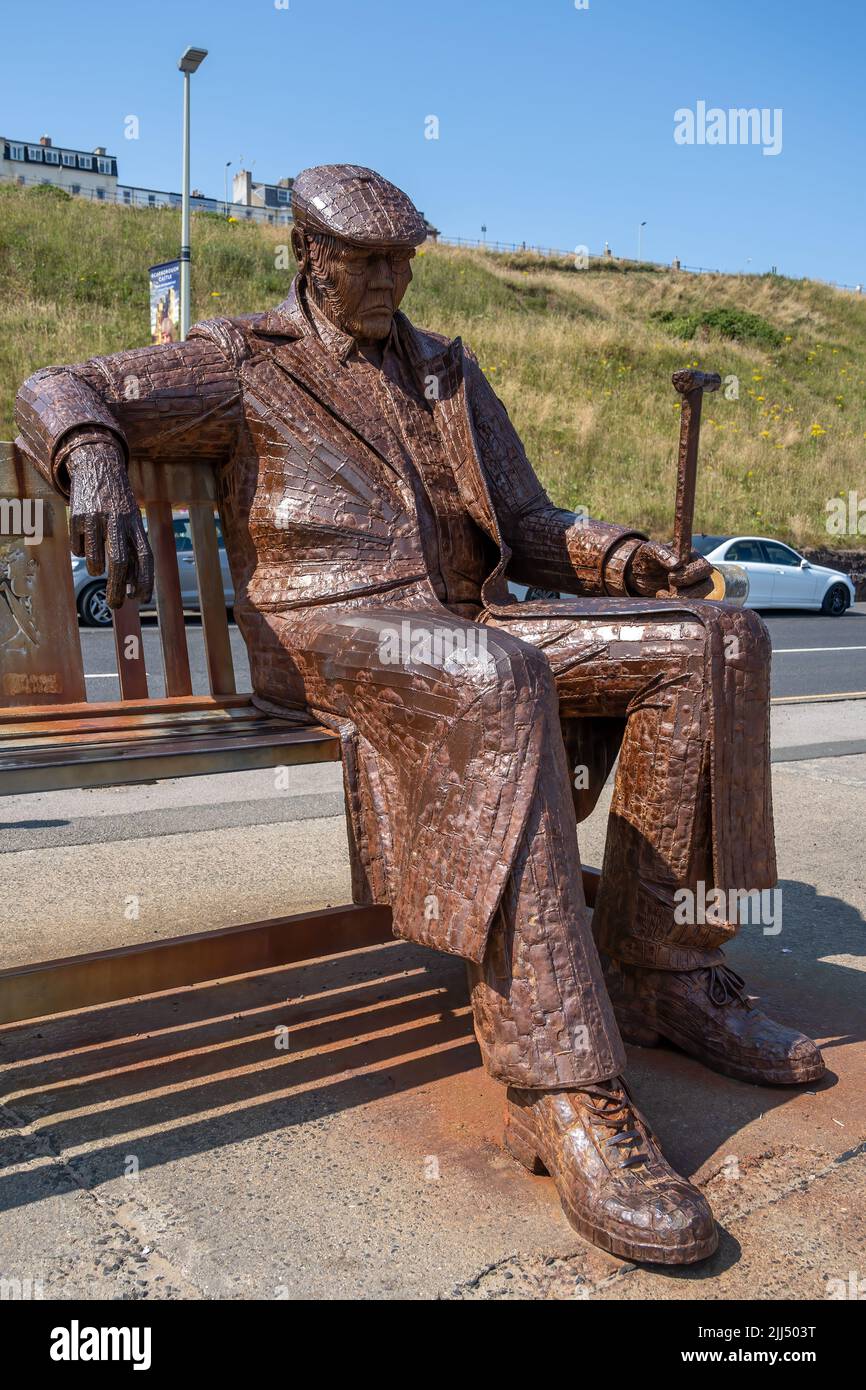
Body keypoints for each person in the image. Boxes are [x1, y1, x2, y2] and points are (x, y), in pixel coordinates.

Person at [14, 164, 824, 1265]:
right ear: (310, 254)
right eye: (370, 260)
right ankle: (562, 1081)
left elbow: (530, 519)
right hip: (325, 633)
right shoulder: (241, 361)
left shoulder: (446, 372)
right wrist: (94, 460)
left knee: (713, 641)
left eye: (406, 258)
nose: (395, 278)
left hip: (454, 624)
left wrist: (622, 558)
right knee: (489, 674)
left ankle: (660, 967)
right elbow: (62, 382)